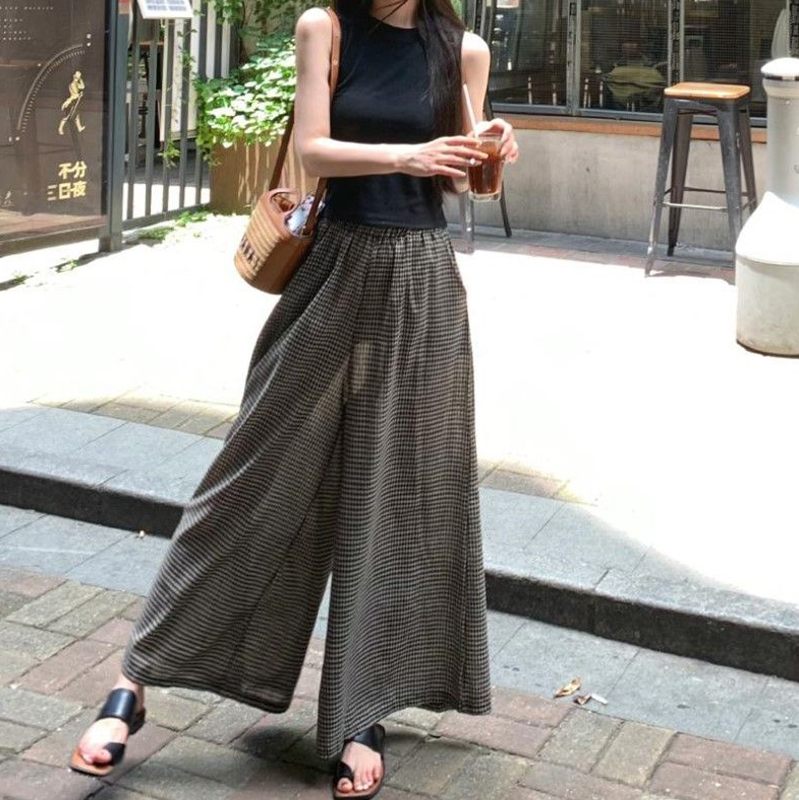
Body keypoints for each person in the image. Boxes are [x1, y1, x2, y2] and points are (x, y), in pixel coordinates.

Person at [69, 0, 519, 797]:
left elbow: (463, 179)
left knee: (400, 501)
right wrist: (406, 153)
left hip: (422, 283)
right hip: (333, 271)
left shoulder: (464, 49)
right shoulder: (326, 27)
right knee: (250, 476)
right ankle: (133, 679)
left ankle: (362, 712)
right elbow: (312, 149)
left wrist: (493, 149)